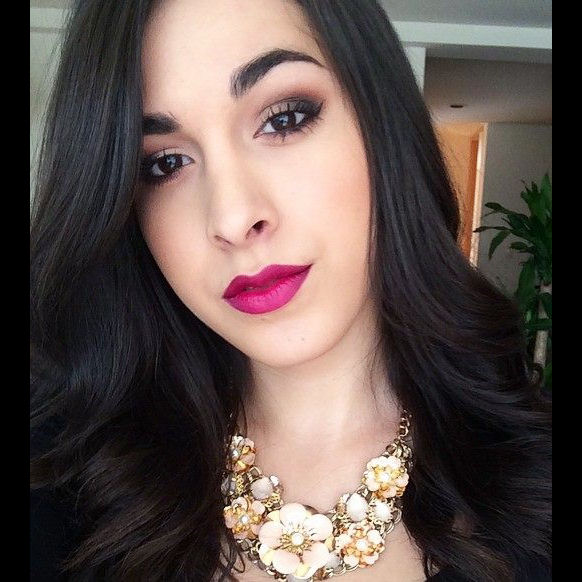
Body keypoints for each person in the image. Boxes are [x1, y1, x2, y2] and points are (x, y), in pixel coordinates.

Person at [30, 1, 551, 581]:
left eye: (283, 119)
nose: (232, 218)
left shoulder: (533, 486)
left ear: (383, 126)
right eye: (165, 163)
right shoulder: (59, 478)